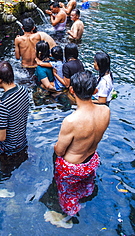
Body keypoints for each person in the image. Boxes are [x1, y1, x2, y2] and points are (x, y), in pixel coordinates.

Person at [54, 71, 110, 216]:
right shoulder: (105, 111)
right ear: (95, 91)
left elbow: (59, 151)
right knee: (85, 186)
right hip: (91, 161)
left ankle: (68, 216)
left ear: (71, 90)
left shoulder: (71, 121)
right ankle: (85, 195)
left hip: (72, 169)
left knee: (67, 196)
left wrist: (54, 146)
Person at [0, 60, 30, 156]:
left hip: (9, 149)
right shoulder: (23, 90)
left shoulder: (4, 105)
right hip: (22, 142)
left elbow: (1, 137)